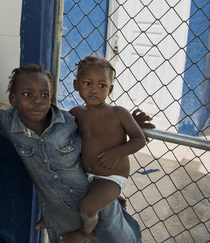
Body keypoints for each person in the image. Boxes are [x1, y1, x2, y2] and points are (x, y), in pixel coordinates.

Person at [0, 64, 152, 243]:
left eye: (45, 95)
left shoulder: (70, 122)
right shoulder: (10, 125)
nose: (38, 100)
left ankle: (116, 206)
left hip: (97, 208)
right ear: (13, 99)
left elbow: (103, 134)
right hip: (60, 216)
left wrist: (130, 125)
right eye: (28, 94)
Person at [59, 56, 146, 243]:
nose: (94, 90)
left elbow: (140, 139)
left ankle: (85, 232)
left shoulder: (118, 113)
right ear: (76, 84)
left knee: (86, 208)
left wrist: (118, 152)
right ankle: (113, 201)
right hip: (88, 175)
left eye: (102, 86)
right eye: (88, 83)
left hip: (111, 178)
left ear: (110, 89)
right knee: (61, 193)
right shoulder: (76, 113)